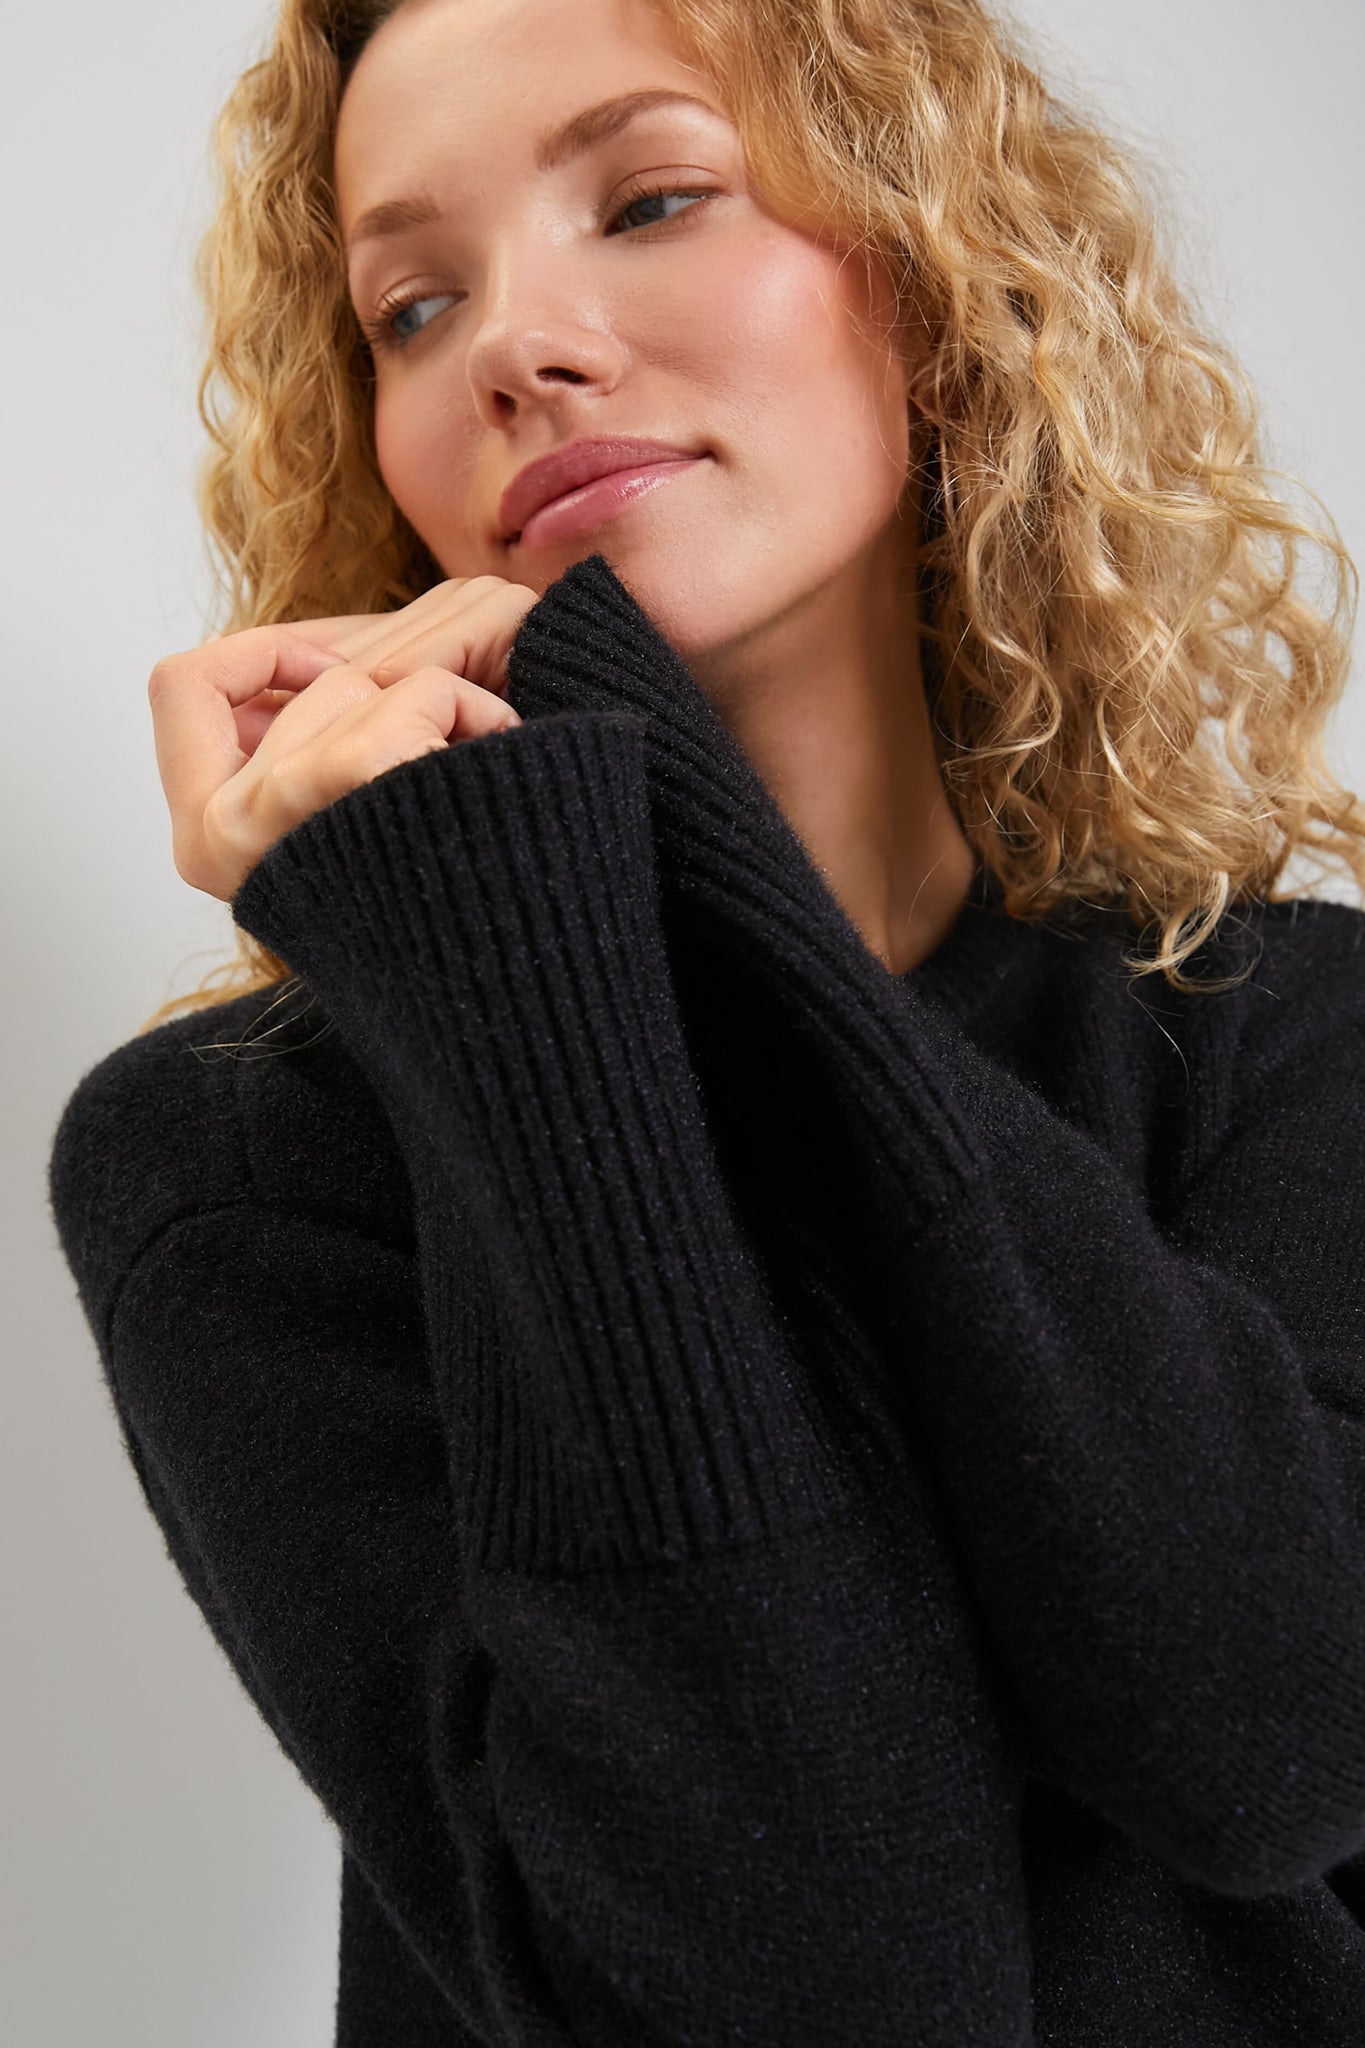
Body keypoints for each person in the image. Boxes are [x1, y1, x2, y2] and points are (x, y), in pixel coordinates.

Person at [46, 0, 1365, 2041]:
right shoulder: (236, 1162)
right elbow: (813, 1987)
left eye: (651, 198)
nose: (510, 345)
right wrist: (514, 957)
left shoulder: (1285, 1027)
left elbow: (1275, 1734)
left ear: (934, 278)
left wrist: (671, 824)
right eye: (411, 309)